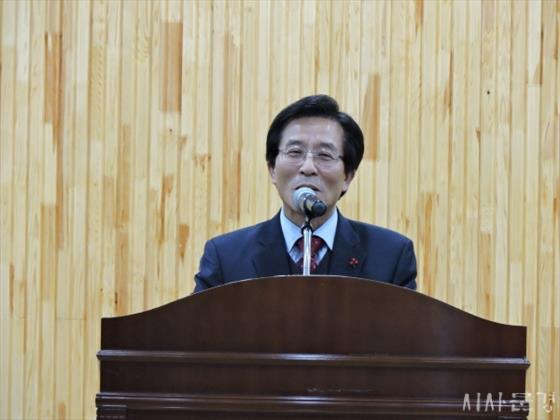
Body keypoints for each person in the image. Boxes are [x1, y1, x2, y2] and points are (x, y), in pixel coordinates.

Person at [194, 95, 417, 292]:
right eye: (295, 152)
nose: (308, 167)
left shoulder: (391, 256)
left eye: (324, 155)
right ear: (272, 169)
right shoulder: (225, 257)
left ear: (348, 176)